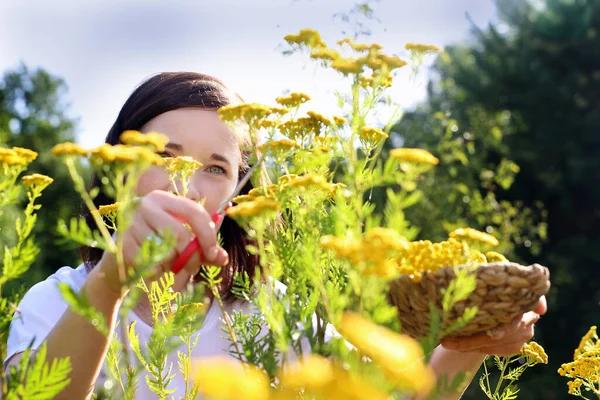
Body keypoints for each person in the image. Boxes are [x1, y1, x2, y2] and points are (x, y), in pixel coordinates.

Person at [4, 72, 547, 400]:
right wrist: (110, 282)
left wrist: (463, 351)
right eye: (161, 157)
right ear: (117, 172)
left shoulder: (273, 316)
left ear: (237, 195)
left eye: (215, 168)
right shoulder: (55, 302)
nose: (187, 185)